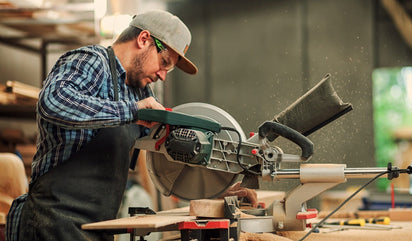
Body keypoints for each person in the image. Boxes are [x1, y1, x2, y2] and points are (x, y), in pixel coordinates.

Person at [5, 9, 256, 241]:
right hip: (53, 221)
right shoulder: (92, 62)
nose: (163, 74)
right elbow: (53, 102)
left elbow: (173, 155)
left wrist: (219, 190)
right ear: (144, 39)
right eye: (165, 62)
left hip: (98, 226)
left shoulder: (139, 92)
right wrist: (131, 112)